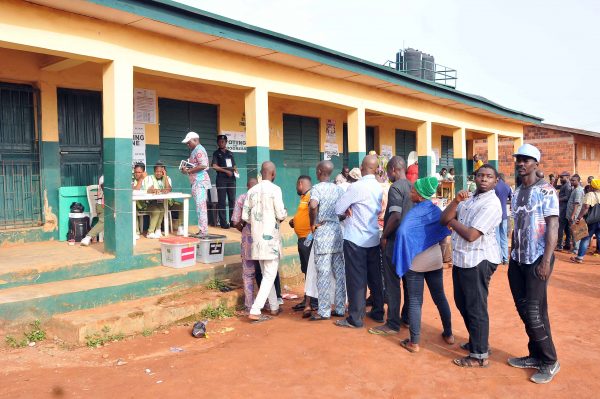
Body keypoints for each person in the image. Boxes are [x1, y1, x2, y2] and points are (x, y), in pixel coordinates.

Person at [441, 164, 502, 367]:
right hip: (462, 259)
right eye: (480, 175)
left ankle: (479, 355)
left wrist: (452, 222)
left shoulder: (492, 204)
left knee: (476, 307)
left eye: (489, 176)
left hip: (479, 260)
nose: (484, 179)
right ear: (474, 178)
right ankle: (479, 341)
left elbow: (471, 235)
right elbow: (444, 218)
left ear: (496, 181)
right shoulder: (468, 199)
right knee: (462, 302)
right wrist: (456, 202)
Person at [508, 143, 560, 384]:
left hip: (538, 259)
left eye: (526, 160)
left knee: (534, 311)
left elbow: (553, 226)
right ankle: (535, 354)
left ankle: (550, 361)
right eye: (519, 159)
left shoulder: (547, 191)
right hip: (518, 258)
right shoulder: (517, 191)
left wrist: (546, 261)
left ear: (536, 164)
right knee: (525, 309)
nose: (521, 163)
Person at [393, 176, 454, 353]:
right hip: (434, 259)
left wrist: (408, 249)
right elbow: (443, 234)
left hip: (416, 262)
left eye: (413, 191)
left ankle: (414, 342)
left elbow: (403, 232)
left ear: (420, 196)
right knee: (440, 297)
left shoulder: (413, 214)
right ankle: (449, 334)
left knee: (414, 301)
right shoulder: (436, 211)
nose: (410, 192)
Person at [334, 155, 384, 328]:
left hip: (355, 238)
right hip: (372, 237)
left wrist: (349, 208)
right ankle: (378, 312)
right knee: (374, 277)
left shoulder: (357, 187)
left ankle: (355, 318)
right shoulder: (379, 187)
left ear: (362, 168)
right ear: (376, 168)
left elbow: (338, 208)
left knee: (356, 279)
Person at [369, 156, 412, 336]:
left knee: (393, 284)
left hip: (395, 241)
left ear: (394, 169)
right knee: (409, 283)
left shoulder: (396, 187)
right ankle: (407, 318)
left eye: (388, 171)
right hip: (410, 243)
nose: (387, 174)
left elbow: (395, 216)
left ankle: (392, 323)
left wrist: (384, 236)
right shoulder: (412, 186)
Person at [242, 161, 287, 322]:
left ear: (261, 173)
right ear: (273, 174)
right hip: (271, 241)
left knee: (267, 274)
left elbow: (245, 217)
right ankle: (255, 309)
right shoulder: (276, 189)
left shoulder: (252, 190)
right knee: (269, 275)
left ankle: (274, 306)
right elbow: (281, 214)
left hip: (257, 240)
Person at [308, 161, 346, 321]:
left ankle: (324, 310)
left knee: (323, 272)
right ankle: (340, 308)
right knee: (339, 272)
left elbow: (313, 204)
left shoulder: (316, 188)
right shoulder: (338, 189)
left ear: (318, 172)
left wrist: (313, 222)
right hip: (337, 232)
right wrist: (337, 218)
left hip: (322, 232)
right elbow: (345, 211)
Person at [289, 175, 318, 316]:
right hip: (302, 239)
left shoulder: (311, 195)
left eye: (296, 185)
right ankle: (308, 299)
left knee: (310, 270)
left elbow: (315, 212)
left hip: (308, 239)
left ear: (300, 184)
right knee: (306, 270)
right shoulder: (304, 197)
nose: (296, 188)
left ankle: (313, 301)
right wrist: (294, 221)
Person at [231, 178, 259, 312]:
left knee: (248, 274)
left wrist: (243, 229)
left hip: (248, 237)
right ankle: (266, 303)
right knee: (265, 272)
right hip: (263, 239)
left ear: (247, 186)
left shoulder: (242, 198)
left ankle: (250, 305)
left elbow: (236, 220)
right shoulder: (263, 197)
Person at [181, 132, 211, 236]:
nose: (187, 145)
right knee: (199, 207)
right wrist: (186, 169)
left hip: (200, 182)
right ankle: (202, 230)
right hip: (196, 182)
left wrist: (189, 171)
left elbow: (203, 165)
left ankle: (203, 231)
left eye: (189, 142)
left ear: (195, 140)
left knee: (201, 207)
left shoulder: (199, 150)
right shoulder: (195, 151)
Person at [212, 134, 238, 229]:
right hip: (221, 179)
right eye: (219, 142)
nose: (221, 143)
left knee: (232, 200)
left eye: (223, 141)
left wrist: (235, 169)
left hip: (231, 180)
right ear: (217, 143)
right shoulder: (216, 153)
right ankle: (223, 223)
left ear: (226, 142)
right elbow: (214, 166)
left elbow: (234, 165)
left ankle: (232, 221)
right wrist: (226, 171)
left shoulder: (230, 153)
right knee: (222, 201)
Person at [571, 178, 600, 264]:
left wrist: (579, 217)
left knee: (586, 239)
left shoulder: (590, 194)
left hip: (592, 220)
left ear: (592, 186)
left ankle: (579, 258)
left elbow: (586, 207)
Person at [132, 162, 164, 238]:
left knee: (158, 210)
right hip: (134, 205)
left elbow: (150, 188)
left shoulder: (148, 178)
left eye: (139, 172)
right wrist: (141, 179)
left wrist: (153, 190)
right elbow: (135, 190)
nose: (137, 174)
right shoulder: (132, 179)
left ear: (144, 172)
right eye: (135, 172)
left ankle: (151, 232)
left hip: (146, 204)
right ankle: (136, 232)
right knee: (133, 211)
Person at [142, 162, 172, 238]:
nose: (158, 173)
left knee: (162, 209)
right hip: (148, 203)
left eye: (160, 171)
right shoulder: (149, 178)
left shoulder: (166, 178)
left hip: (160, 203)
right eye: (156, 171)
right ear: (154, 171)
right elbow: (149, 189)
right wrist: (153, 190)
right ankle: (150, 232)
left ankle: (158, 230)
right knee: (157, 211)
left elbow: (169, 189)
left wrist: (165, 176)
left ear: (163, 171)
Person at [80, 175, 104, 246]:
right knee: (104, 220)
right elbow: (106, 188)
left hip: (114, 205)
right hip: (103, 206)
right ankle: (88, 237)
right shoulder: (104, 177)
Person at [494, 173, 512, 264]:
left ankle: (499, 258)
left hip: (495, 215)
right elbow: (511, 198)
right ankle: (505, 259)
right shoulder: (507, 187)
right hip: (504, 215)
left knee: (496, 236)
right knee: (504, 237)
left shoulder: (494, 186)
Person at [566, 174, 584, 255]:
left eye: (574, 180)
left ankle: (576, 249)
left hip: (575, 215)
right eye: (571, 180)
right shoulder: (575, 189)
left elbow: (576, 204)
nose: (572, 182)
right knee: (573, 232)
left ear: (578, 181)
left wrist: (572, 216)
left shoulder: (578, 191)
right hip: (572, 214)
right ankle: (574, 248)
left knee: (575, 232)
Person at [556, 171, 572, 251]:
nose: (561, 179)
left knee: (561, 227)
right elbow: (554, 187)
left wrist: (558, 199)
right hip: (563, 208)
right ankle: (567, 244)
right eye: (560, 177)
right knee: (566, 228)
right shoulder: (564, 185)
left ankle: (560, 245)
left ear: (567, 177)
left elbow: (567, 197)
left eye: (562, 177)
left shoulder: (567, 186)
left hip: (564, 208)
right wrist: (556, 179)